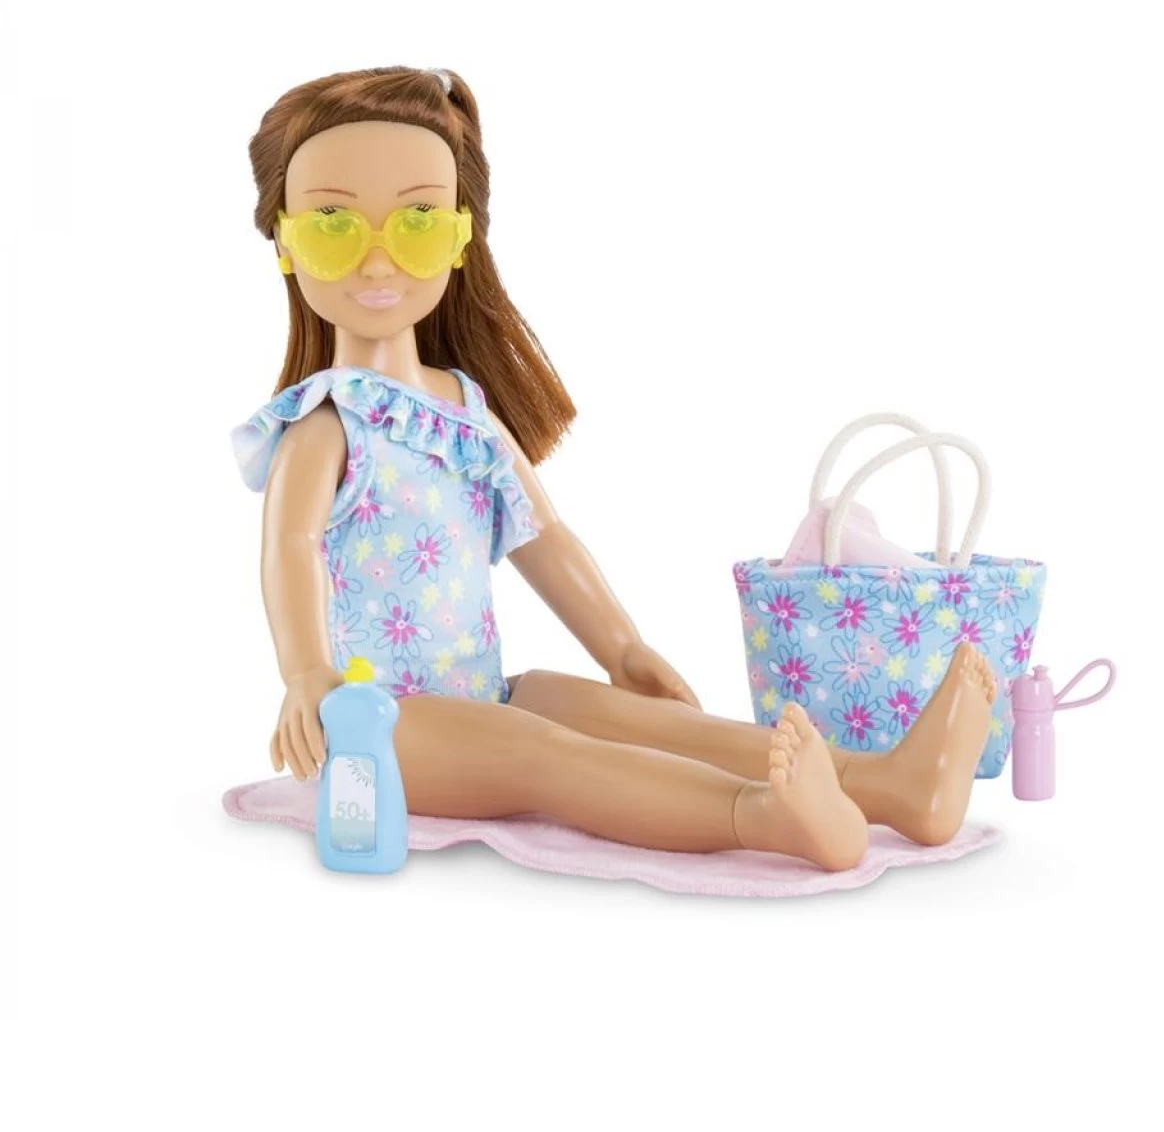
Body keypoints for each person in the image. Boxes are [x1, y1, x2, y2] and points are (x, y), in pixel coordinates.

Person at [233, 66, 997, 872]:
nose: (378, 262)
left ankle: (888, 786)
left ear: (459, 239)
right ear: (285, 241)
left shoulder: (464, 411)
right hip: (377, 720)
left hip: (481, 693)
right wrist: (307, 674)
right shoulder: (323, 426)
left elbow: (544, 537)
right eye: (334, 228)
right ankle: (765, 817)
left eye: (417, 224)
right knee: (549, 755)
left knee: (635, 720)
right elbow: (290, 549)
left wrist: (622, 648)